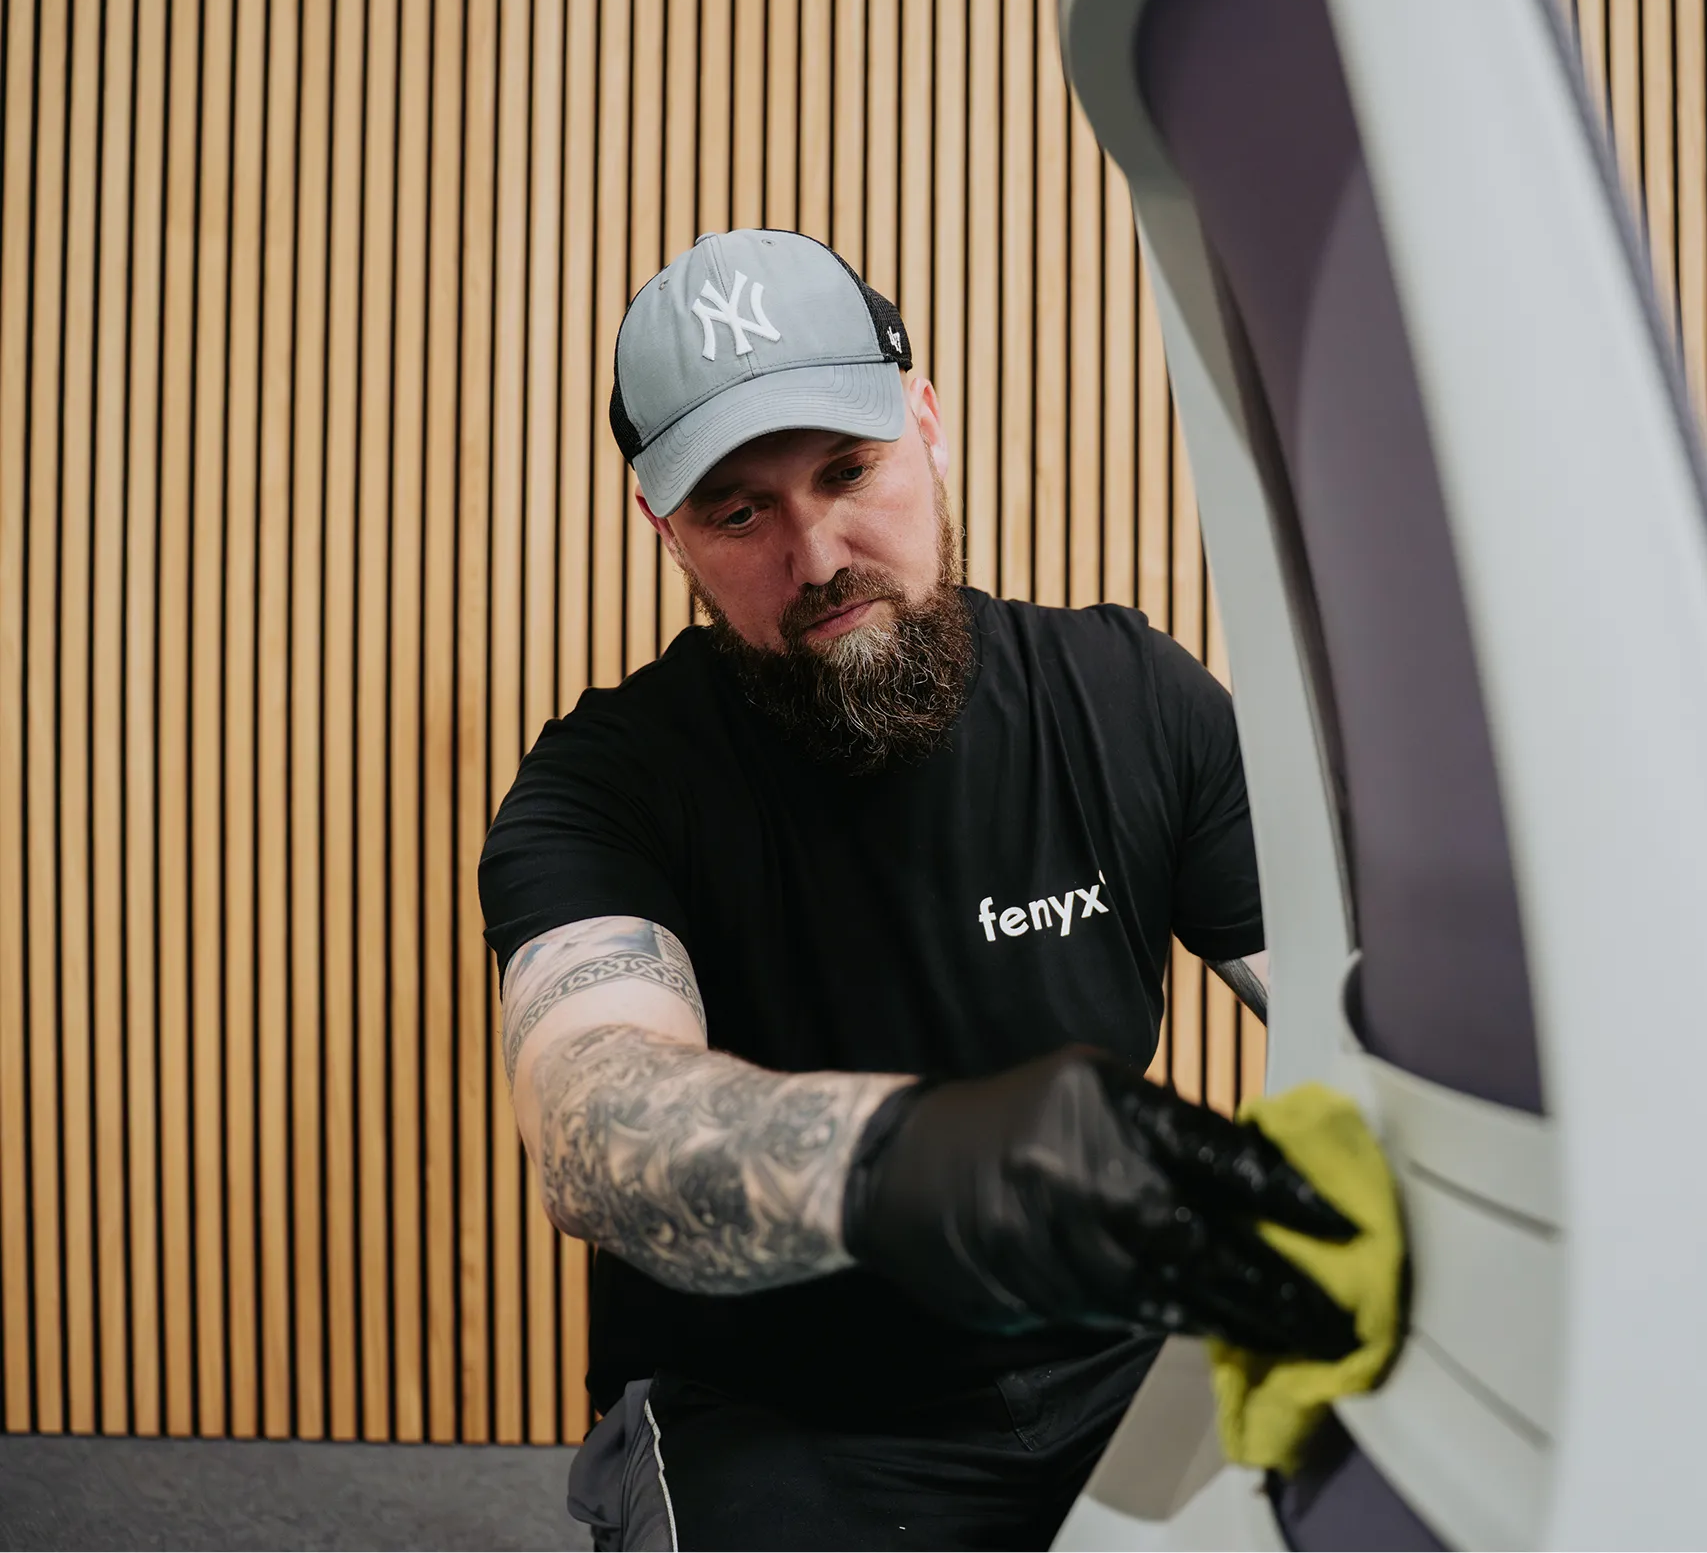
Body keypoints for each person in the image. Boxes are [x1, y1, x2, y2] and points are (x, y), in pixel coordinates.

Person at [478, 228, 1360, 1552]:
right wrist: (922, 1158)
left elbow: (1359, 1004)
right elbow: (599, 1126)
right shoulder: (607, 782)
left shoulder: (1127, 697)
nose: (818, 549)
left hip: (1122, 1369)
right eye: (739, 508)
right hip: (778, 1410)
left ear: (927, 422)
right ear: (667, 530)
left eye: (849, 469)